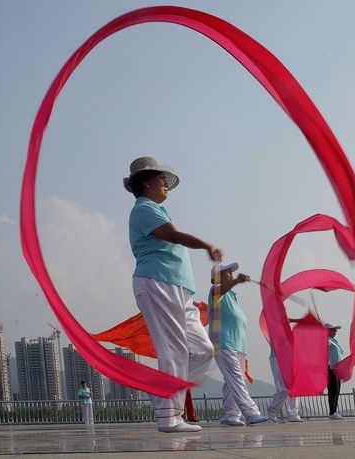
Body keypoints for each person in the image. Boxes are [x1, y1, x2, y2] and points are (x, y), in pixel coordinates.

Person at [125, 156, 222, 433]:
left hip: (179, 289)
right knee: (173, 350)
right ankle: (168, 416)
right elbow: (173, 235)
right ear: (146, 182)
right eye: (161, 178)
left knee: (202, 350)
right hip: (157, 282)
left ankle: (162, 393)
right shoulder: (143, 209)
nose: (165, 183)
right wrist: (205, 245)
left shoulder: (157, 209)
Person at [207, 263, 268, 426]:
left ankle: (230, 415)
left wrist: (234, 283)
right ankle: (251, 413)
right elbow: (219, 290)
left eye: (231, 273)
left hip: (238, 345)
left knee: (232, 381)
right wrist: (236, 281)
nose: (231, 274)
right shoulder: (215, 292)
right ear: (217, 277)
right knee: (236, 378)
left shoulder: (232, 296)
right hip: (222, 342)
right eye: (227, 272)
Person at [267, 319, 304, 423]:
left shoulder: (289, 333)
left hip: (290, 359)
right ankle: (272, 413)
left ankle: (293, 414)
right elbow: (279, 319)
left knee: (294, 388)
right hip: (278, 358)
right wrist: (296, 320)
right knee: (283, 388)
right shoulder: (274, 329)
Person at [326, 323, 345, 420]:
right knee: (333, 390)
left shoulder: (334, 341)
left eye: (335, 330)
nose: (335, 332)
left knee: (337, 390)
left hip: (337, 368)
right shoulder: (325, 339)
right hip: (330, 368)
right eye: (333, 330)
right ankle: (332, 412)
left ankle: (334, 411)